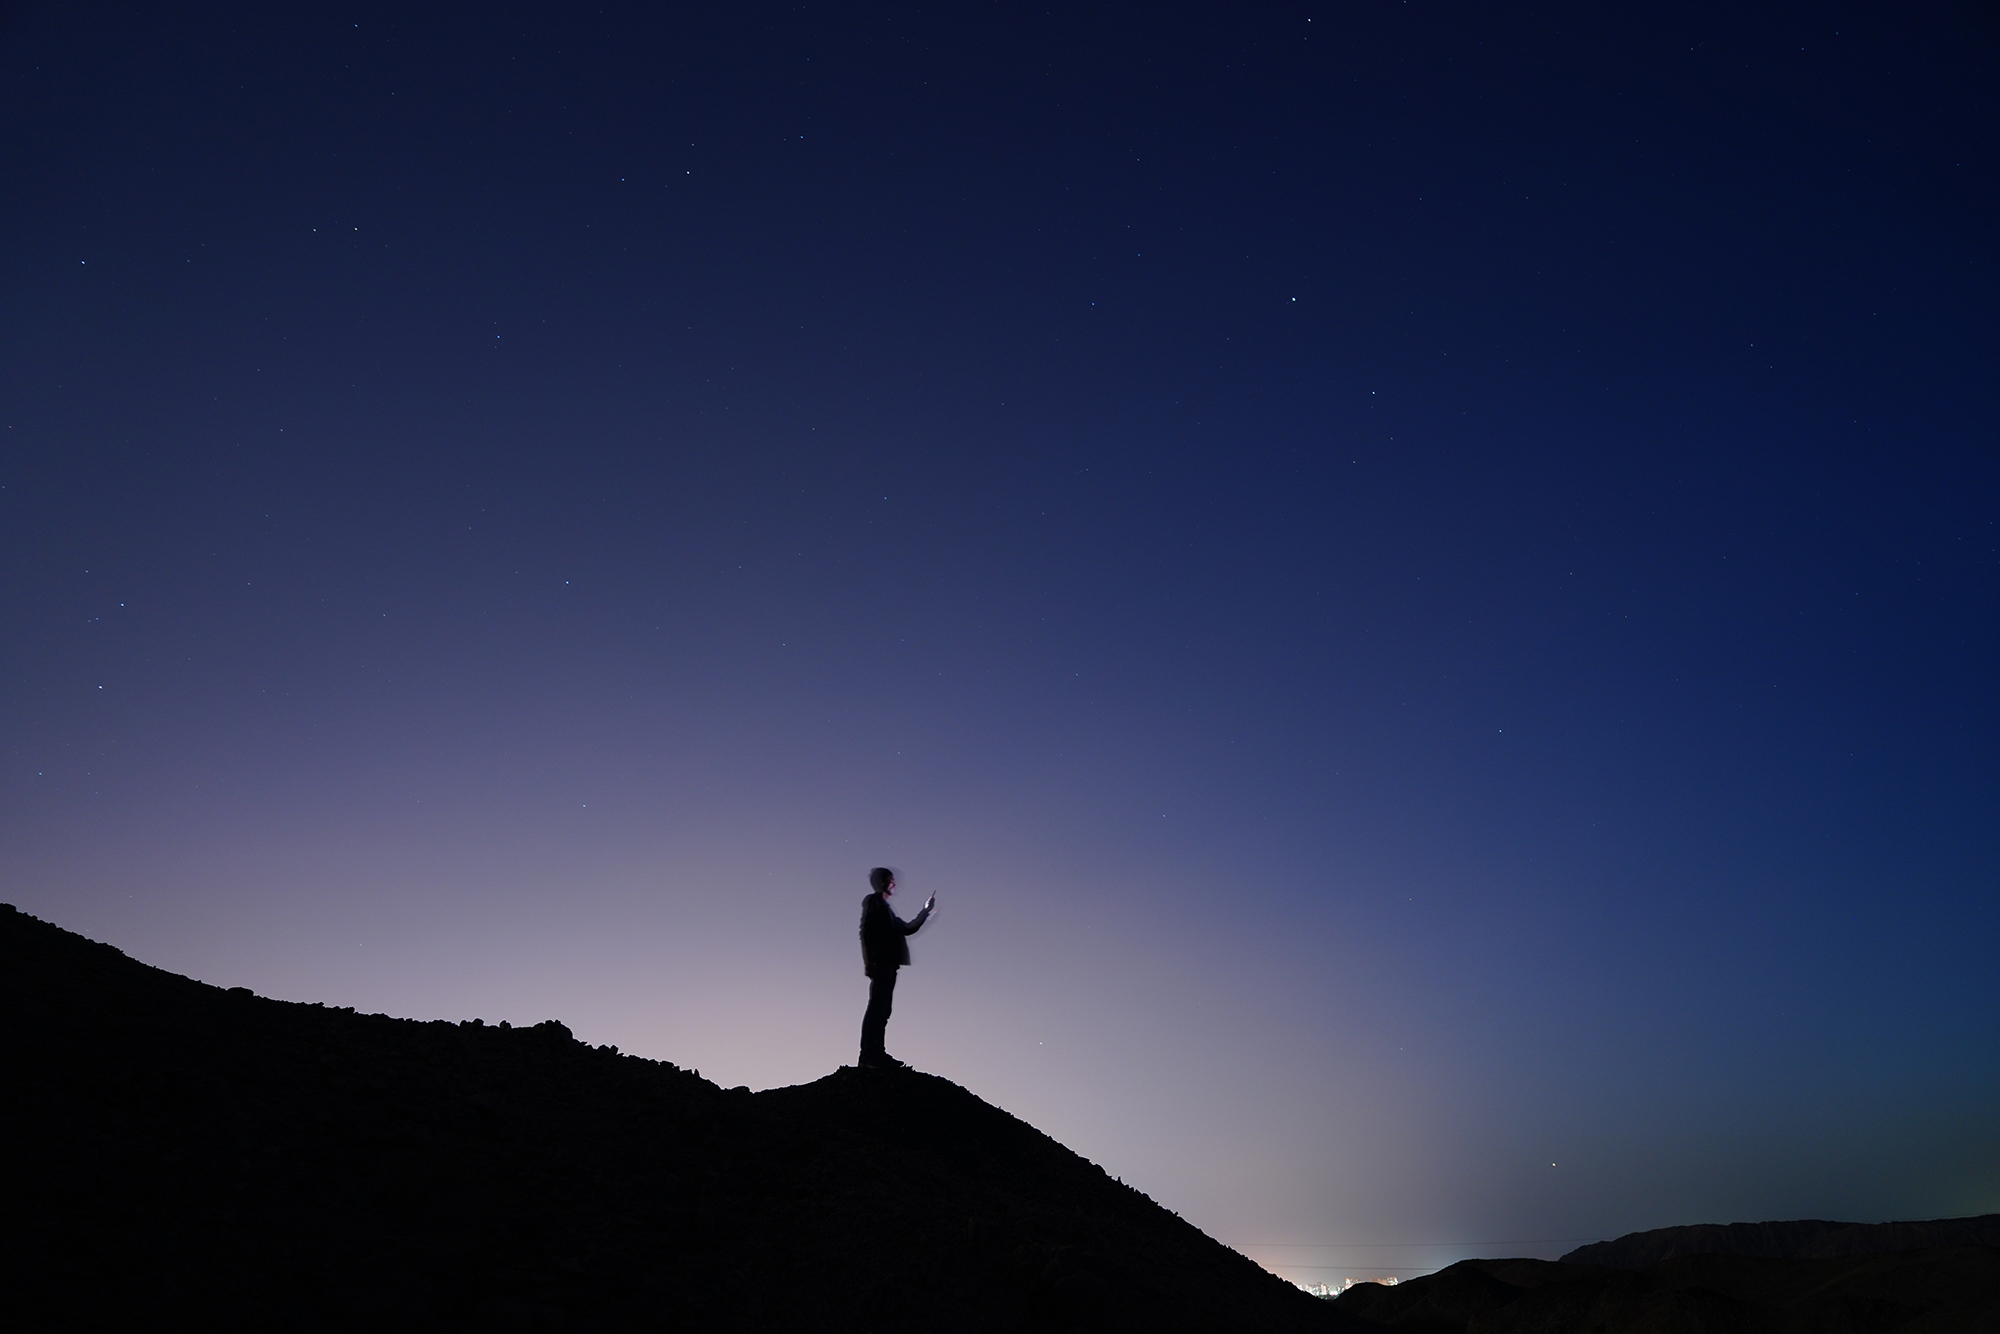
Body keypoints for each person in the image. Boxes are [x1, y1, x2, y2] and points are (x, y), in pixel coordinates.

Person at [857, 867, 934, 1069]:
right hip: (880, 964)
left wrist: (925, 911)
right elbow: (865, 932)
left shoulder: (886, 910)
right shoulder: (874, 903)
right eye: (890, 880)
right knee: (877, 1009)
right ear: (882, 882)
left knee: (883, 1009)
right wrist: (869, 962)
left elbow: (908, 928)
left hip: (888, 965)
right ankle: (869, 1055)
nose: (894, 884)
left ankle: (876, 1053)